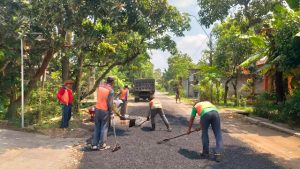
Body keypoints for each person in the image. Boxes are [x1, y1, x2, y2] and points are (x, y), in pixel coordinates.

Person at [91, 77, 115, 150]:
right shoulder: (110, 90)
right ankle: (101, 145)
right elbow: (109, 103)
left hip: (97, 109)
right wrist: (111, 112)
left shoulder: (100, 87)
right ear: (112, 82)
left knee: (97, 126)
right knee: (104, 127)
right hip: (104, 110)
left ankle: (94, 144)